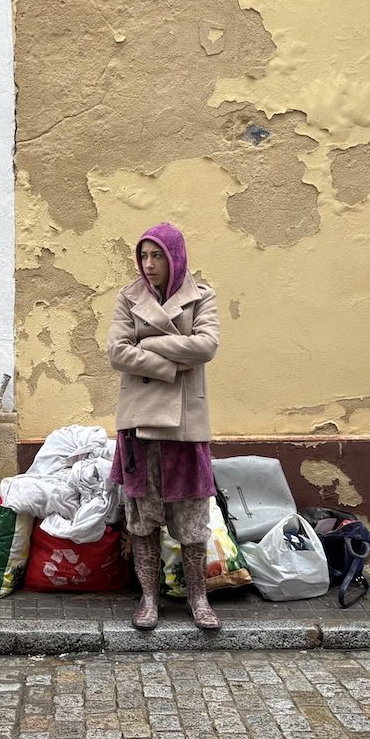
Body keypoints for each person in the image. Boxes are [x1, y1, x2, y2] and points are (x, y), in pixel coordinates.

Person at [107, 222, 220, 631]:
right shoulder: (128, 298)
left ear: (175, 257)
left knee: (192, 515)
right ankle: (149, 599)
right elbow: (116, 352)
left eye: (157, 256)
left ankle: (198, 598)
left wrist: (150, 344)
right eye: (143, 255)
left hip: (186, 425)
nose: (148, 264)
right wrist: (175, 364)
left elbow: (206, 346)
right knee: (143, 517)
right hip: (140, 424)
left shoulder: (202, 297)